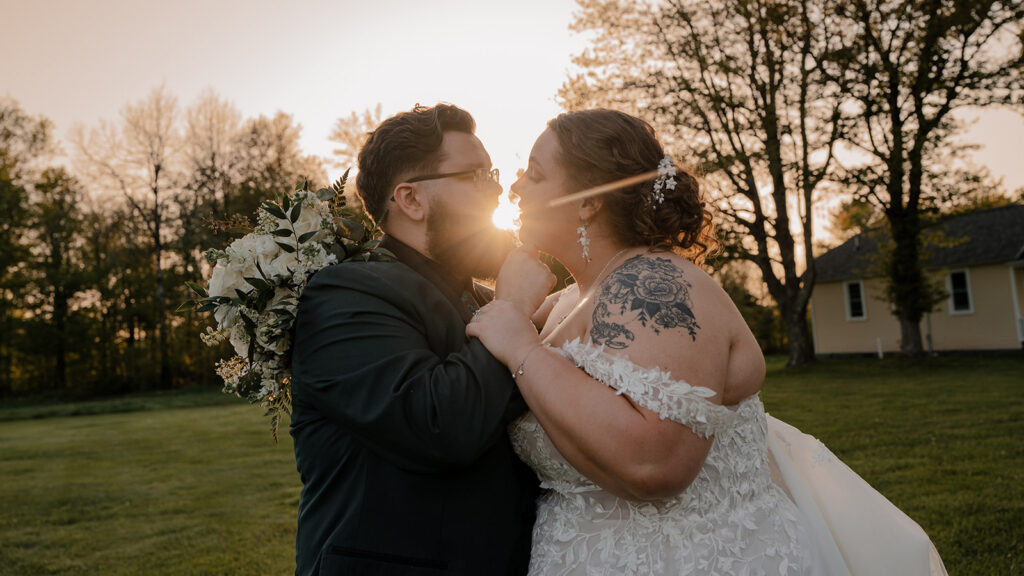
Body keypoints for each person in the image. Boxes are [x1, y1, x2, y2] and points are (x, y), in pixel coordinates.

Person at [467, 108, 948, 575]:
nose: (513, 187)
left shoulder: (653, 287)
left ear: (588, 201)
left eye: (534, 174)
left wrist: (522, 350)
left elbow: (658, 463)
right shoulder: (571, 297)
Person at [289, 104, 544, 575]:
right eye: (474, 176)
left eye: (491, 173)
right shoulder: (343, 296)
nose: (497, 191)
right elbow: (436, 425)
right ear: (410, 199)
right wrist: (514, 309)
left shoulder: (483, 297)